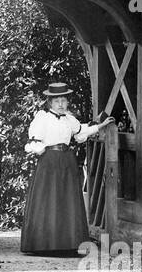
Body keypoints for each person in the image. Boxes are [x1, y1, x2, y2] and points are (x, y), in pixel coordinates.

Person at [21, 82, 114, 255]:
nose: (61, 104)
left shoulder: (69, 119)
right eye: (57, 101)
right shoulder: (42, 117)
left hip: (66, 162)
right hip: (49, 162)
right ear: (50, 102)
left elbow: (81, 132)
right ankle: (44, 245)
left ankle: (68, 244)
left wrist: (100, 125)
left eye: (64, 100)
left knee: (67, 201)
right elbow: (34, 141)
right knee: (48, 201)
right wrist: (39, 148)